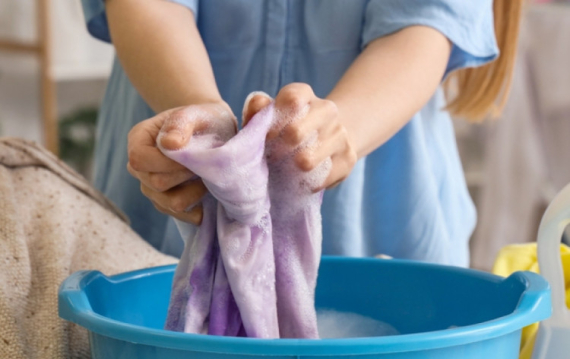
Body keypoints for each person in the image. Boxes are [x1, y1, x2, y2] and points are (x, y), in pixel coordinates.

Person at [81, 0, 523, 266]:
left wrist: (341, 130)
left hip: (383, 220)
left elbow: (425, 22)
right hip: (160, 224)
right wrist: (196, 113)